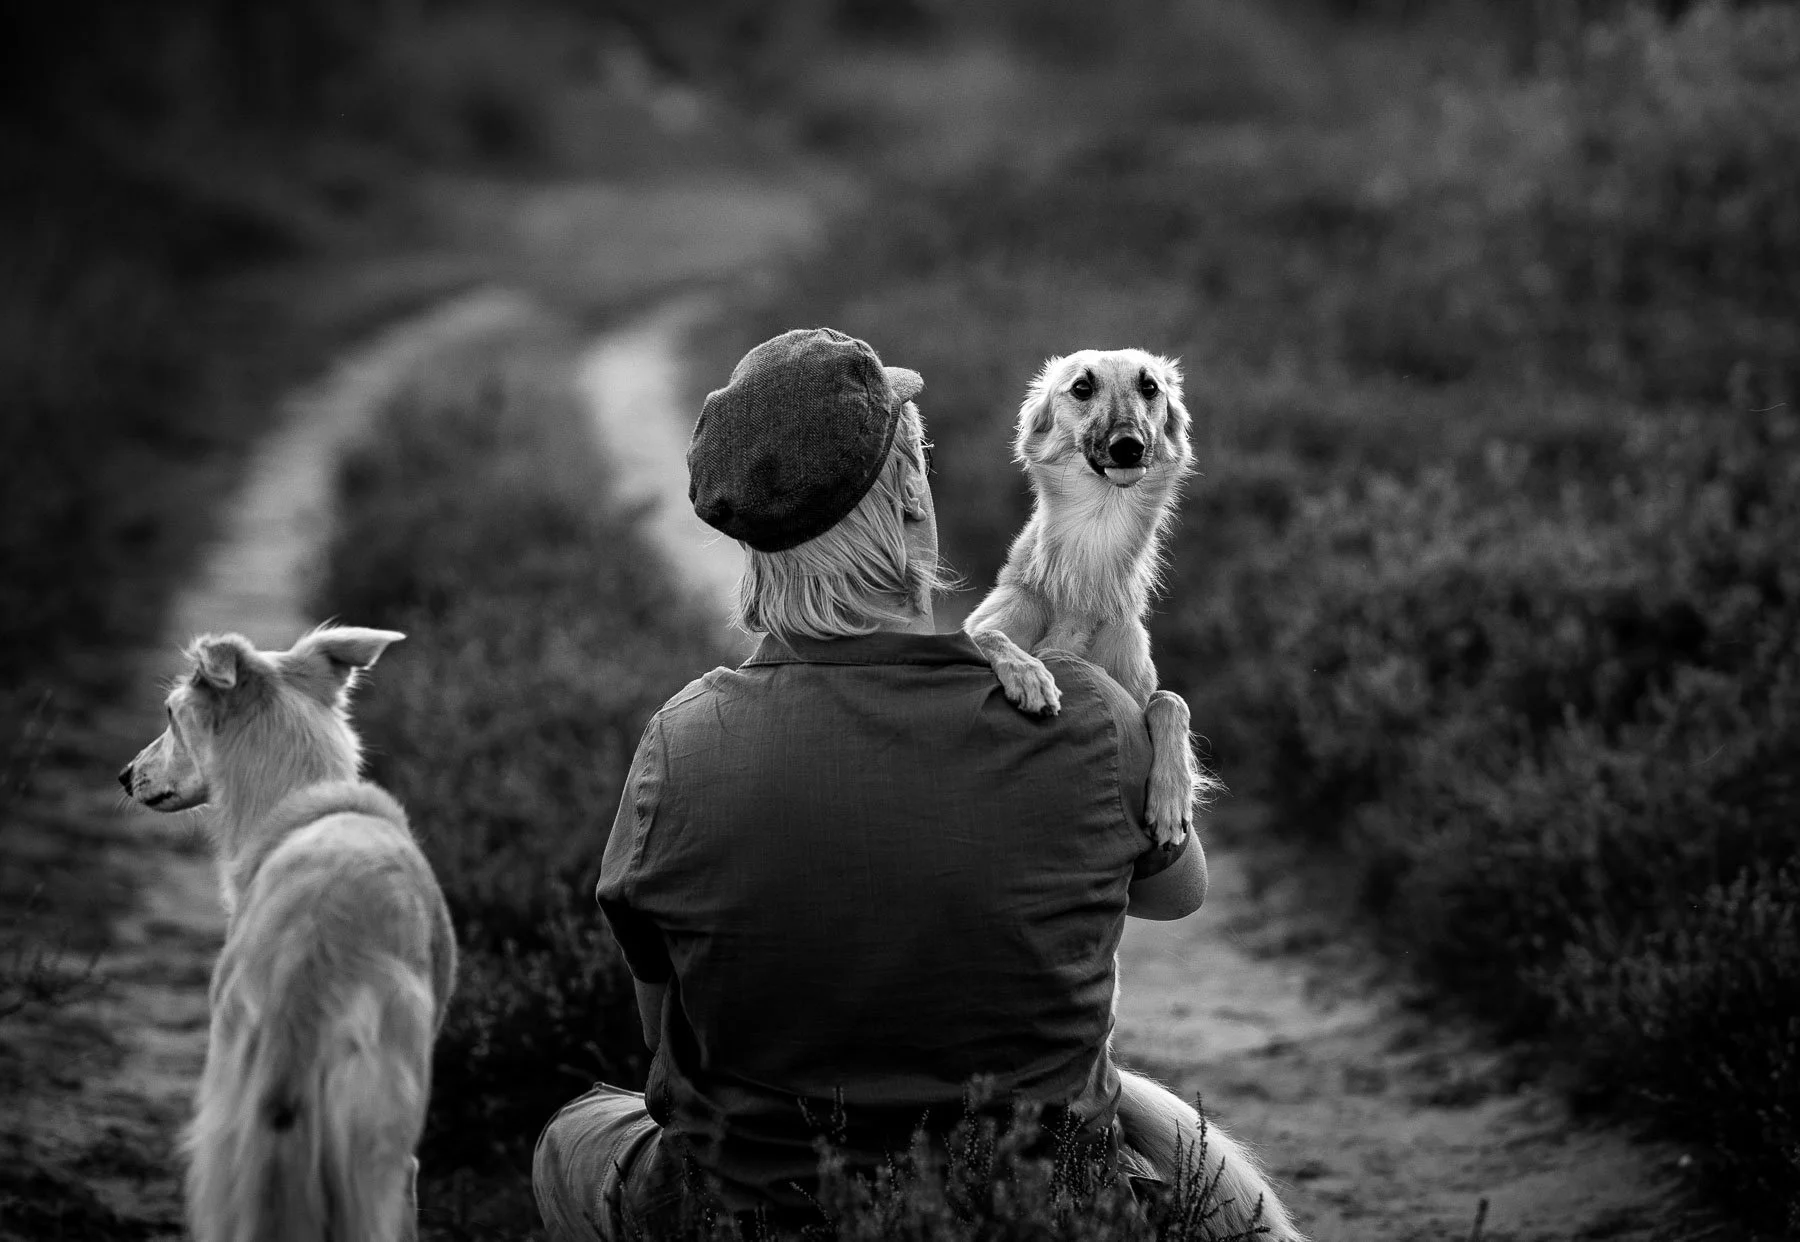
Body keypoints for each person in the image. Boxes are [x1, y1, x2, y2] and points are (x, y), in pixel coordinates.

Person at [533, 327, 1207, 1241]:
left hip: (772, 1214)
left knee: (570, 1136)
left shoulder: (678, 744)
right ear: (915, 512)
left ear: (751, 537)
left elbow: (666, 1047)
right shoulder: (1090, 713)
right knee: (1158, 1143)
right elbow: (1178, 895)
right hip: (1034, 1205)